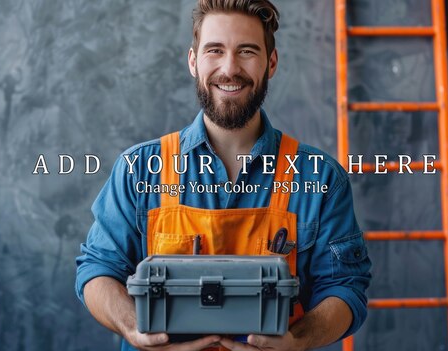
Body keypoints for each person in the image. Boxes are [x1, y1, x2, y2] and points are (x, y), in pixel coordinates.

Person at [75, 1, 371, 350]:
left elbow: (346, 287)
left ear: (271, 63)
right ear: (193, 61)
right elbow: (97, 270)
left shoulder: (320, 179)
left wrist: (298, 341)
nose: (229, 69)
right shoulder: (138, 170)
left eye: (247, 51)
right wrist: (132, 327)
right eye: (215, 50)